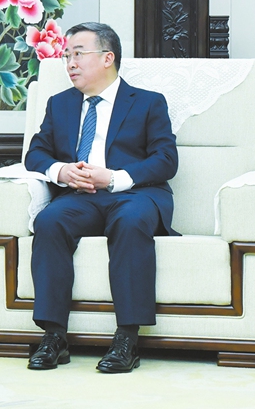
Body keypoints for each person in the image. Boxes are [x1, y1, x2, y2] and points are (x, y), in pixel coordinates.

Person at [23, 22, 178, 373]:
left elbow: (166, 160)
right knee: (49, 221)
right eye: (67, 56)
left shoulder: (148, 102)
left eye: (78, 54)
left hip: (134, 194)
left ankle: (127, 339)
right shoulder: (60, 104)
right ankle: (54, 336)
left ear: (108, 58)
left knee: (130, 220)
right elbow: (36, 154)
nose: (70, 63)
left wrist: (115, 178)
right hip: (81, 198)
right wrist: (62, 171)